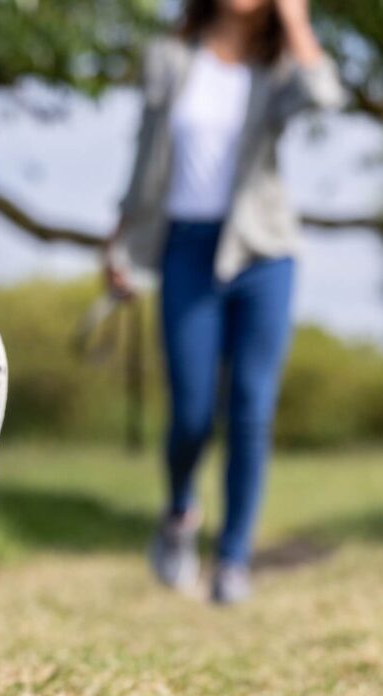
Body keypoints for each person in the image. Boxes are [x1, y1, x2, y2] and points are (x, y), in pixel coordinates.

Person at [105, 0, 344, 603]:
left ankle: (234, 559)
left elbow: (327, 95)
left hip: (264, 251)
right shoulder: (169, 55)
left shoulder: (278, 67)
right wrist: (124, 240)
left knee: (250, 410)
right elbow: (145, 155)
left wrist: (297, 21)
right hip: (186, 246)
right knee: (190, 412)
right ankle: (182, 510)